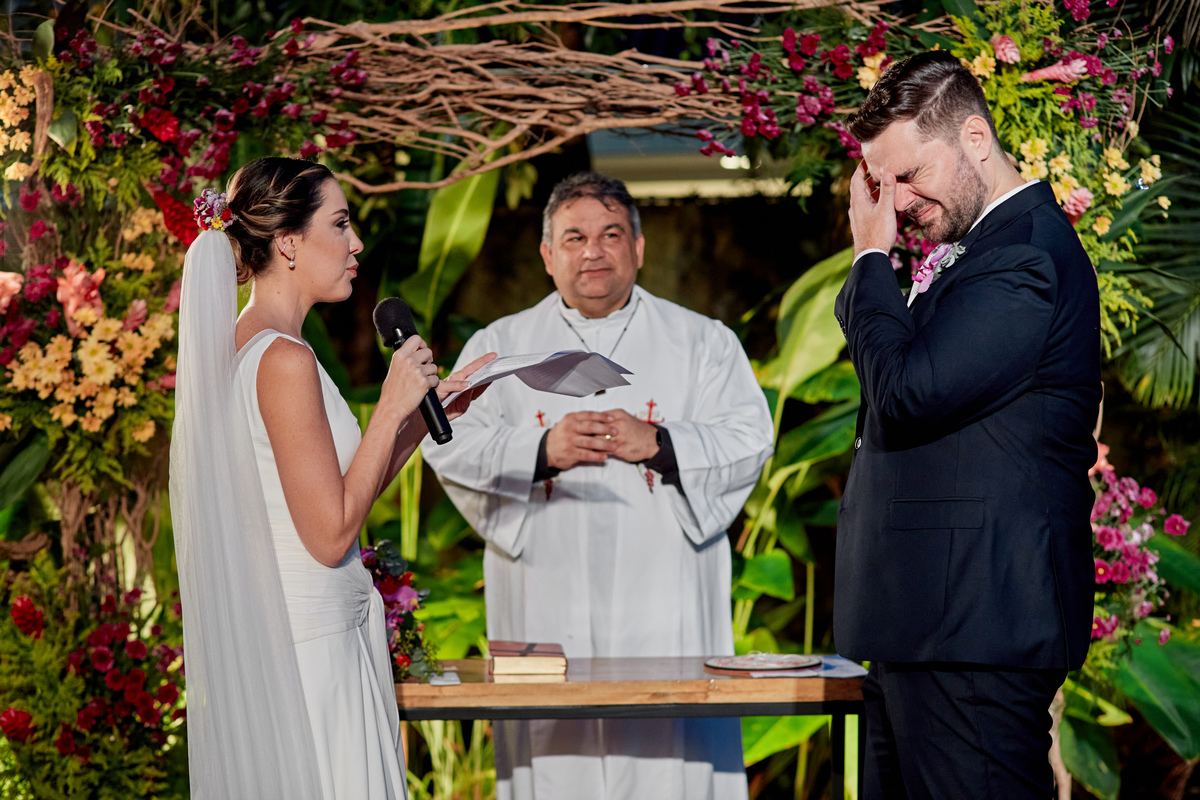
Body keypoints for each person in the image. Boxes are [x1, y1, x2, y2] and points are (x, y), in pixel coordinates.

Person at [423, 172, 774, 799]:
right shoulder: (499, 349)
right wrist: (540, 449)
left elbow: (750, 438)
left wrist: (661, 443)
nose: (594, 251)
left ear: (638, 248)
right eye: (575, 237)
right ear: (547, 254)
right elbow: (447, 443)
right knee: (556, 753)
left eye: (612, 234)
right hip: (545, 590)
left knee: (672, 751)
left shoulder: (703, 343)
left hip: (663, 596)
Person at [169, 157, 491, 799]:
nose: (357, 244)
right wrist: (394, 404)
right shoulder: (283, 360)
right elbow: (330, 532)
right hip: (313, 657)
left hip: (305, 642)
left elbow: (340, 487)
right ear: (288, 244)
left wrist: (424, 419)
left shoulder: (250, 343)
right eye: (340, 224)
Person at [833, 51, 1101, 799]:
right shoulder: (977, 252)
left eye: (910, 175)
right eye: (880, 185)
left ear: (975, 139)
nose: (898, 202)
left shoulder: (1024, 256)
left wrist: (868, 261)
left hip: (972, 628)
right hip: (928, 628)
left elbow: (909, 393)